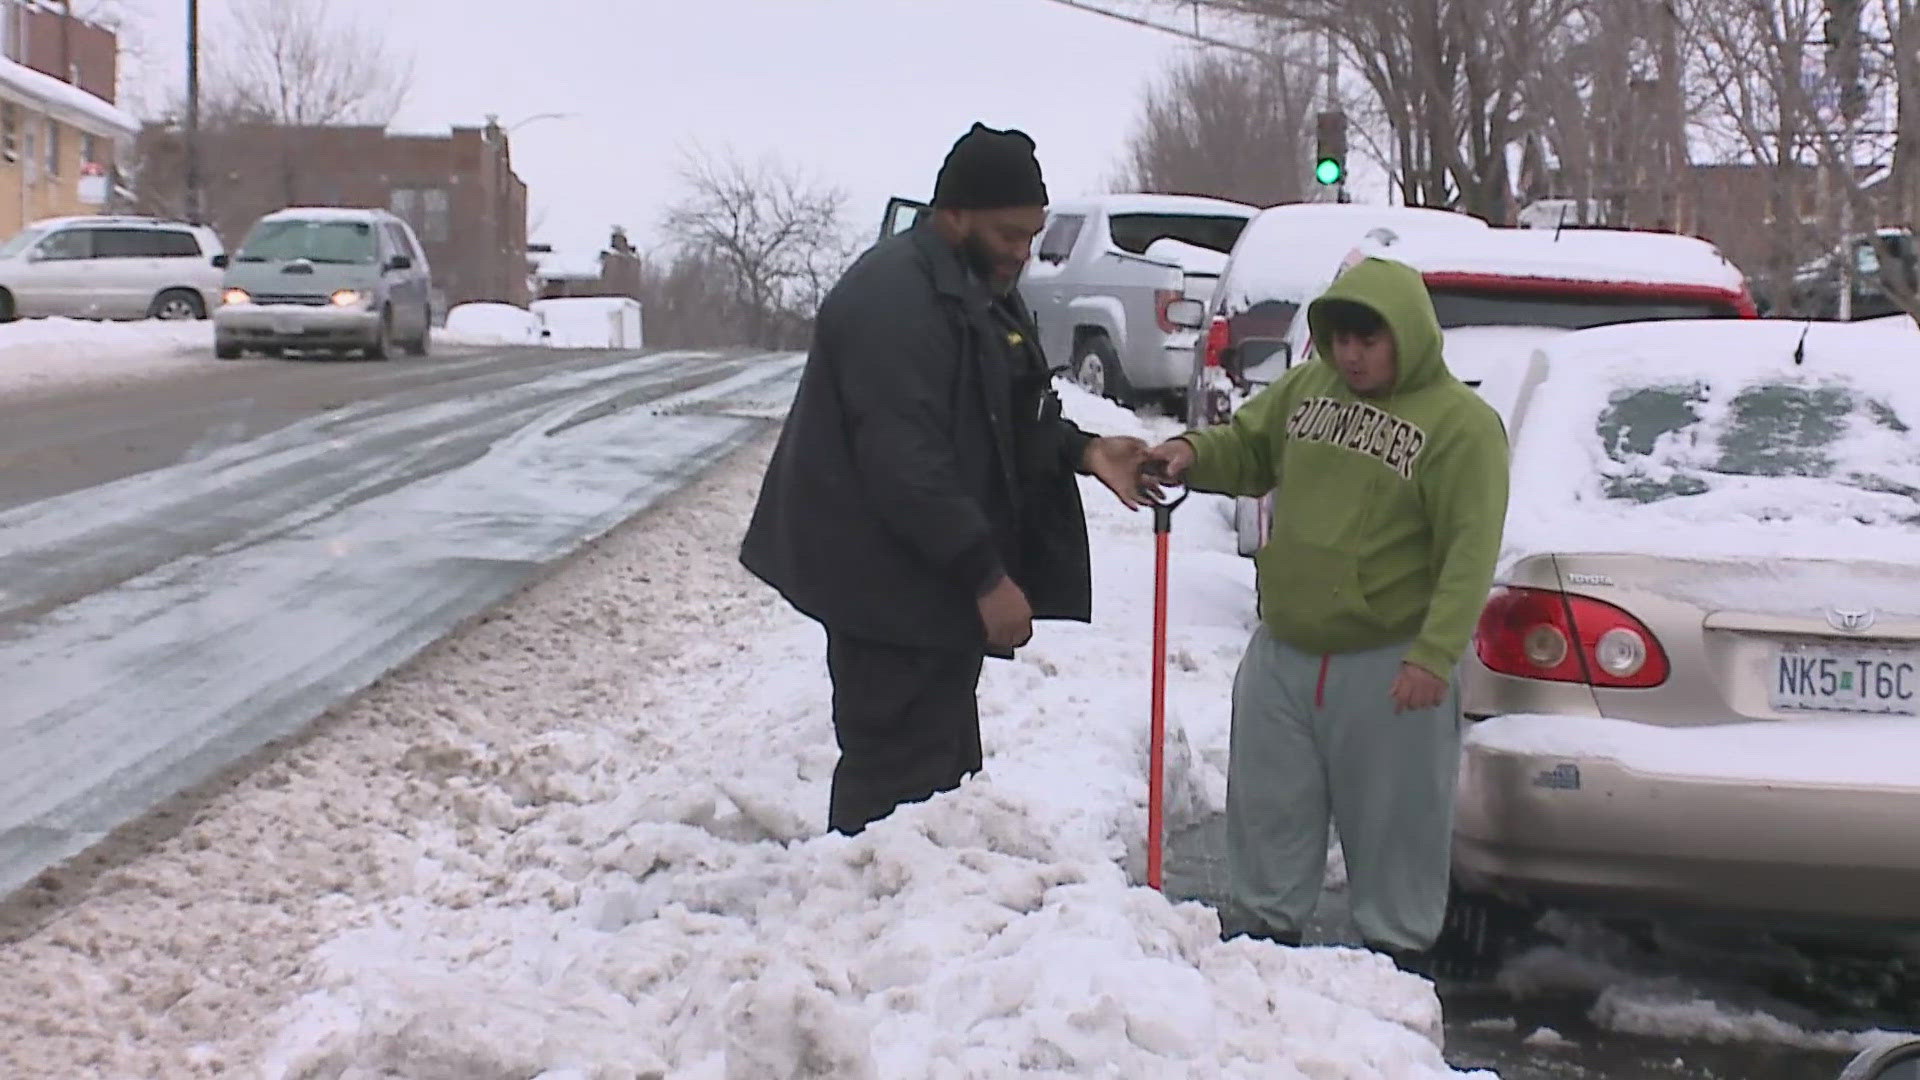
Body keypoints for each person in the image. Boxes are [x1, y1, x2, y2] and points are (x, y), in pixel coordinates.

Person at [740, 122, 1152, 837]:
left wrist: (1083, 451)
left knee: (942, 768)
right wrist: (985, 577)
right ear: (952, 213)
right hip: (881, 586)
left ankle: (917, 908)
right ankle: (867, 914)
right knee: (894, 775)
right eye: (1009, 235)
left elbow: (997, 416)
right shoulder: (893, 299)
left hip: (925, 585)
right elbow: (906, 465)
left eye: (1033, 236)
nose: (1023, 255)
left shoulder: (973, 284)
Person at [1144, 256, 1509, 967]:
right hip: (1285, 650)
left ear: (1406, 335)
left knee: (1396, 829)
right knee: (1269, 816)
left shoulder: (1462, 427)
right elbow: (1250, 448)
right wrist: (1190, 451)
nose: (1351, 355)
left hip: (1388, 663)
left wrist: (1434, 654)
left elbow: (1470, 552)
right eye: (1340, 339)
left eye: (1368, 341)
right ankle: (1259, 956)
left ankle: (1398, 969)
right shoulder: (1308, 389)